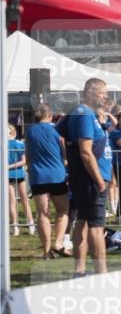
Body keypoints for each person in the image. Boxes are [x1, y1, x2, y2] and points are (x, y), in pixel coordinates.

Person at [63, 78, 113, 276]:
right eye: (103, 92)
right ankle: (101, 272)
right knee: (96, 225)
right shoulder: (83, 114)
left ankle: (80, 270)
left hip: (89, 177)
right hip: (92, 179)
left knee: (83, 220)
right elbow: (85, 151)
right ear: (91, 92)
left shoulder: (85, 114)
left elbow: (62, 135)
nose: (106, 96)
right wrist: (99, 180)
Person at [26, 105, 70, 258]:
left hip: (38, 176)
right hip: (57, 175)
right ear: (50, 115)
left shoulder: (30, 131)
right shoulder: (57, 130)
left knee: (42, 214)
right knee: (63, 210)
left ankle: (46, 251)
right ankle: (58, 243)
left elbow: (28, 155)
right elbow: (64, 154)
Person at [8, 124, 34, 237]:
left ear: (12, 132)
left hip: (19, 174)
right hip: (8, 176)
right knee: (11, 201)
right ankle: (15, 225)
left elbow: (23, 161)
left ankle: (31, 224)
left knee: (24, 199)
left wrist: (8, 166)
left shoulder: (19, 144)